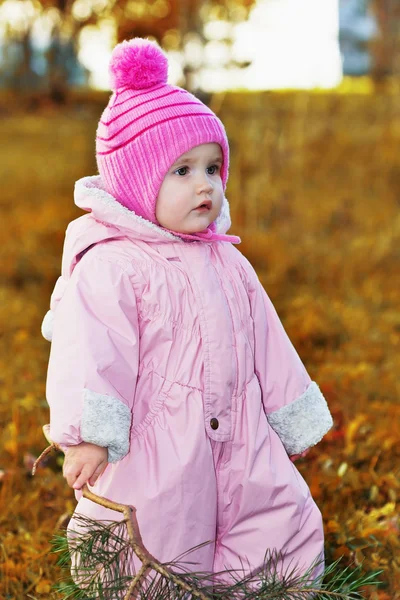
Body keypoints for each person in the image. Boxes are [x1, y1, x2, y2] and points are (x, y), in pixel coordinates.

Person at [41, 38, 333, 586]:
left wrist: (292, 411)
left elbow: (268, 339)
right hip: (158, 446)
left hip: (243, 440)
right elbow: (88, 350)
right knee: (154, 542)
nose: (205, 184)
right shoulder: (112, 266)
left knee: (276, 524)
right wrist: (86, 434)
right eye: (181, 171)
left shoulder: (228, 261)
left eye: (213, 167)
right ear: (135, 183)